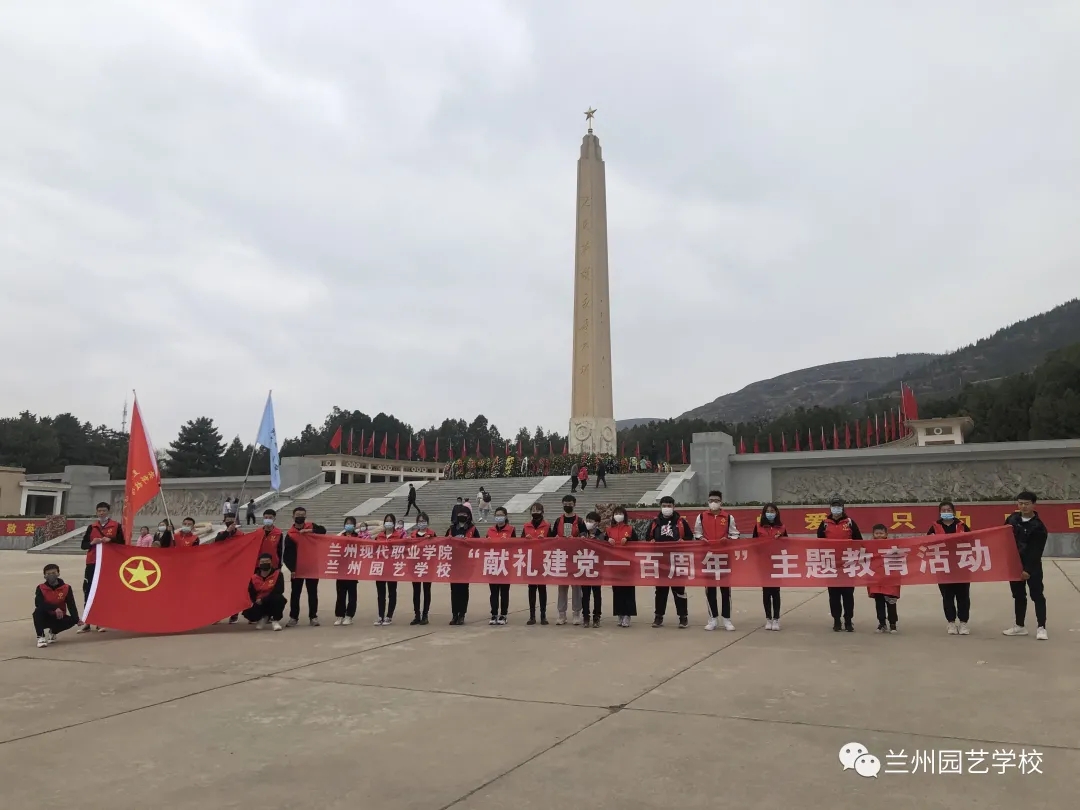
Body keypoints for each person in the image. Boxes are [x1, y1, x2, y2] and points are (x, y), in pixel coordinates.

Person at [1003, 490, 1048, 640]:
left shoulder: (1039, 527)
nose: (1023, 506)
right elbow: (1002, 537)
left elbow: (1036, 551)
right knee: (1018, 596)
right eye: (1020, 503)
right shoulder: (1012, 519)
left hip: (1032, 567)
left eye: (1026, 504)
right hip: (1014, 565)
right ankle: (1019, 626)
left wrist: (1027, 570)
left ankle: (1041, 627)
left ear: (1034, 505)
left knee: (1037, 595)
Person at [693, 490, 739, 631]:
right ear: (708, 501)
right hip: (708, 556)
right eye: (711, 500)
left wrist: (728, 539)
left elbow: (735, 534)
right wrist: (701, 539)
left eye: (716, 500)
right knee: (710, 588)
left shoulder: (728, 517)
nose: (714, 502)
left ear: (721, 502)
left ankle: (727, 619)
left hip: (724, 556)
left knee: (725, 589)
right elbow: (697, 532)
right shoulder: (701, 516)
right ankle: (712, 618)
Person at [645, 496, 694, 628]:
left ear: (673, 506)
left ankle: (683, 617)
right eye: (664, 505)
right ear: (660, 506)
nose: (667, 508)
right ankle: (658, 617)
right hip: (661, 560)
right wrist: (651, 541)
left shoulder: (681, 522)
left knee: (679, 590)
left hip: (677, 560)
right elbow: (647, 537)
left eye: (669, 505)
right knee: (660, 590)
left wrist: (684, 541)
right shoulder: (655, 522)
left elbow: (690, 537)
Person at [77, 501, 124, 633]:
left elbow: (122, 543)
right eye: (99, 511)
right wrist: (92, 542)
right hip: (92, 562)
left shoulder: (116, 526)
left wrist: (111, 540)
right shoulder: (92, 527)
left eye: (104, 510)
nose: (101, 513)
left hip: (107, 563)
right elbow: (83, 545)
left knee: (103, 590)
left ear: (108, 511)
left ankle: (101, 621)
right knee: (88, 589)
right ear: (97, 512)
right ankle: (88, 621)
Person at [817, 496, 862, 632]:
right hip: (831, 565)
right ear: (830, 508)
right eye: (834, 506)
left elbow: (859, 540)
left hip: (848, 564)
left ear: (843, 507)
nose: (836, 508)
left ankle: (848, 620)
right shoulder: (824, 523)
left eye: (839, 506)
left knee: (848, 594)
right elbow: (818, 542)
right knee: (834, 595)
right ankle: (837, 620)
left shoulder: (849, 522)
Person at [930, 501, 972, 635]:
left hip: (961, 565)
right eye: (944, 510)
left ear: (954, 511)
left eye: (949, 510)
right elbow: (926, 544)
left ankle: (964, 623)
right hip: (944, 566)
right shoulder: (934, 527)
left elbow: (972, 541)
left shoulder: (962, 525)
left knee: (963, 596)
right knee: (947, 596)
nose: (946, 512)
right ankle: (951, 623)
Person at [283, 506, 326, 627]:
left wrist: (309, 531)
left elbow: (323, 530)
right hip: (297, 569)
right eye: (298, 515)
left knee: (312, 593)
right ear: (293, 517)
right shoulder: (290, 535)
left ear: (305, 516)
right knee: (295, 593)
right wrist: (292, 569)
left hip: (312, 566)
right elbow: (287, 555)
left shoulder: (311, 526)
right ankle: (293, 617)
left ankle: (313, 616)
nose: (300, 517)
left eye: (302, 515)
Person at [549, 494, 586, 625]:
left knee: (576, 587)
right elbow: (552, 536)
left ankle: (576, 614)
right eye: (565, 503)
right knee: (562, 587)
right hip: (562, 557)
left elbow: (584, 536)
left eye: (570, 504)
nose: (567, 506)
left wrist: (577, 539)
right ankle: (561, 614)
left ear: (574, 504)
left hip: (575, 558)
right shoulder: (558, 520)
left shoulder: (580, 521)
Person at [752, 504, 787, 630]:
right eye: (767, 511)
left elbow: (787, 545)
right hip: (763, 563)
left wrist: (781, 539)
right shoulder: (758, 526)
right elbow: (753, 544)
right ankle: (768, 619)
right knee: (766, 592)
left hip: (777, 563)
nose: (770, 513)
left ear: (776, 513)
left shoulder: (782, 527)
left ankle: (776, 619)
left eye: (772, 511)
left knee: (775, 592)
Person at [446, 509, 479, 624]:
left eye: (465, 514)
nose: (462, 516)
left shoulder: (473, 529)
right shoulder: (452, 529)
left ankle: (462, 614)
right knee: (454, 590)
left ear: (469, 516)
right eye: (460, 514)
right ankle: (454, 614)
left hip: (466, 565)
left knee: (463, 590)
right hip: (453, 564)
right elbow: (444, 544)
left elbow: (479, 545)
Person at [34, 563, 80, 647]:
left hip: (59, 616)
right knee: (37, 612)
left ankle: (53, 631)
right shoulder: (41, 588)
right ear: (44, 576)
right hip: (46, 616)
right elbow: (38, 603)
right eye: (48, 574)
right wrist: (54, 609)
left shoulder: (66, 588)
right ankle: (41, 637)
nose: (51, 576)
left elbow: (71, 604)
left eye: (54, 573)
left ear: (58, 574)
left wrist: (77, 619)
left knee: (73, 619)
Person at [606, 506, 637, 627]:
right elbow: (602, 543)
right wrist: (607, 540)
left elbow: (637, 541)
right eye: (616, 513)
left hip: (628, 564)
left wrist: (628, 539)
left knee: (628, 590)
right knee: (617, 590)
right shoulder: (609, 529)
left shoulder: (629, 528)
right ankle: (619, 614)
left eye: (620, 513)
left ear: (625, 515)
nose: (618, 515)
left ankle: (627, 615)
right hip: (614, 564)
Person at [213, 515, 248, 623]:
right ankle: (217, 614)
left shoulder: (241, 535)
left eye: (231, 521)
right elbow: (217, 542)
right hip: (223, 566)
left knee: (234, 591)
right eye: (227, 521)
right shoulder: (221, 534)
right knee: (220, 592)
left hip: (236, 567)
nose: (229, 522)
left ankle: (234, 614)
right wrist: (228, 532)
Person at [867, 524, 900, 634]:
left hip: (890, 579)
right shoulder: (869, 546)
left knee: (891, 602)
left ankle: (893, 624)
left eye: (881, 533)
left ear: (886, 534)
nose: (879, 535)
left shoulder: (893, 546)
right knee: (879, 603)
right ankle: (882, 623)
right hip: (876, 580)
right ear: (873, 534)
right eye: (877, 533)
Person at [373, 513, 404, 626]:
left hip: (392, 568)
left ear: (394, 523)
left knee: (392, 592)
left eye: (390, 520)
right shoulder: (379, 536)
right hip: (380, 567)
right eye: (387, 520)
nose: (388, 522)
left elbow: (404, 549)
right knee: (380, 593)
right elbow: (373, 549)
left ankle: (389, 616)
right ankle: (380, 615)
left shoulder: (398, 536)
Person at [485, 507, 514, 625]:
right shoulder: (490, 530)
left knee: (504, 591)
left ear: (506, 516)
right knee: (493, 591)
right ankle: (494, 614)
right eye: (497, 515)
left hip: (505, 563)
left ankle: (503, 614)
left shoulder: (511, 529)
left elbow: (514, 546)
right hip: (492, 563)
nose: (499, 517)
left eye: (501, 515)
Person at [522, 502, 550, 625]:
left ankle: (543, 615)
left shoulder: (547, 526)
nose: (535, 513)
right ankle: (532, 615)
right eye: (533, 510)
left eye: (538, 510)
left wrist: (545, 541)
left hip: (543, 561)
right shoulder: (526, 526)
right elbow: (520, 542)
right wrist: (525, 539)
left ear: (542, 512)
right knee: (531, 588)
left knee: (542, 589)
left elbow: (554, 541)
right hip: (530, 560)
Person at [243, 553, 285, 631]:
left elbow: (279, 590)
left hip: (272, 599)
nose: (264, 564)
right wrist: (255, 600)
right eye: (262, 562)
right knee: (247, 612)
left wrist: (263, 600)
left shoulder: (278, 574)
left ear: (271, 563)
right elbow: (251, 592)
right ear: (259, 564)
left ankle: (275, 620)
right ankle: (263, 617)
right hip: (259, 601)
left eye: (267, 561)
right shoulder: (254, 577)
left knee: (279, 599)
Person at [409, 512, 436, 625]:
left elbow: (437, 548)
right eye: (420, 521)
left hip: (427, 566)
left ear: (427, 522)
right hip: (415, 566)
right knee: (416, 591)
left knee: (426, 591)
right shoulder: (413, 534)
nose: (422, 523)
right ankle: (417, 615)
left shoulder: (432, 533)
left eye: (423, 521)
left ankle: (425, 615)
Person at [334, 518, 361, 626]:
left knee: (352, 594)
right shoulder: (340, 537)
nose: (349, 525)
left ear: (354, 526)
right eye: (347, 524)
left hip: (353, 569)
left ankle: (349, 616)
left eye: (351, 524)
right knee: (340, 594)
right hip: (341, 569)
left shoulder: (358, 537)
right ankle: (339, 615)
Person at [580, 512, 604, 627]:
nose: (589, 523)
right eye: (587, 520)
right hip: (584, 567)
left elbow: (605, 549)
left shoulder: (601, 535)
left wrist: (597, 541)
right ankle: (585, 616)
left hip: (596, 568)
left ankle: (597, 616)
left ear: (597, 523)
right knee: (585, 594)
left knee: (596, 593)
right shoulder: (583, 534)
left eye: (591, 521)